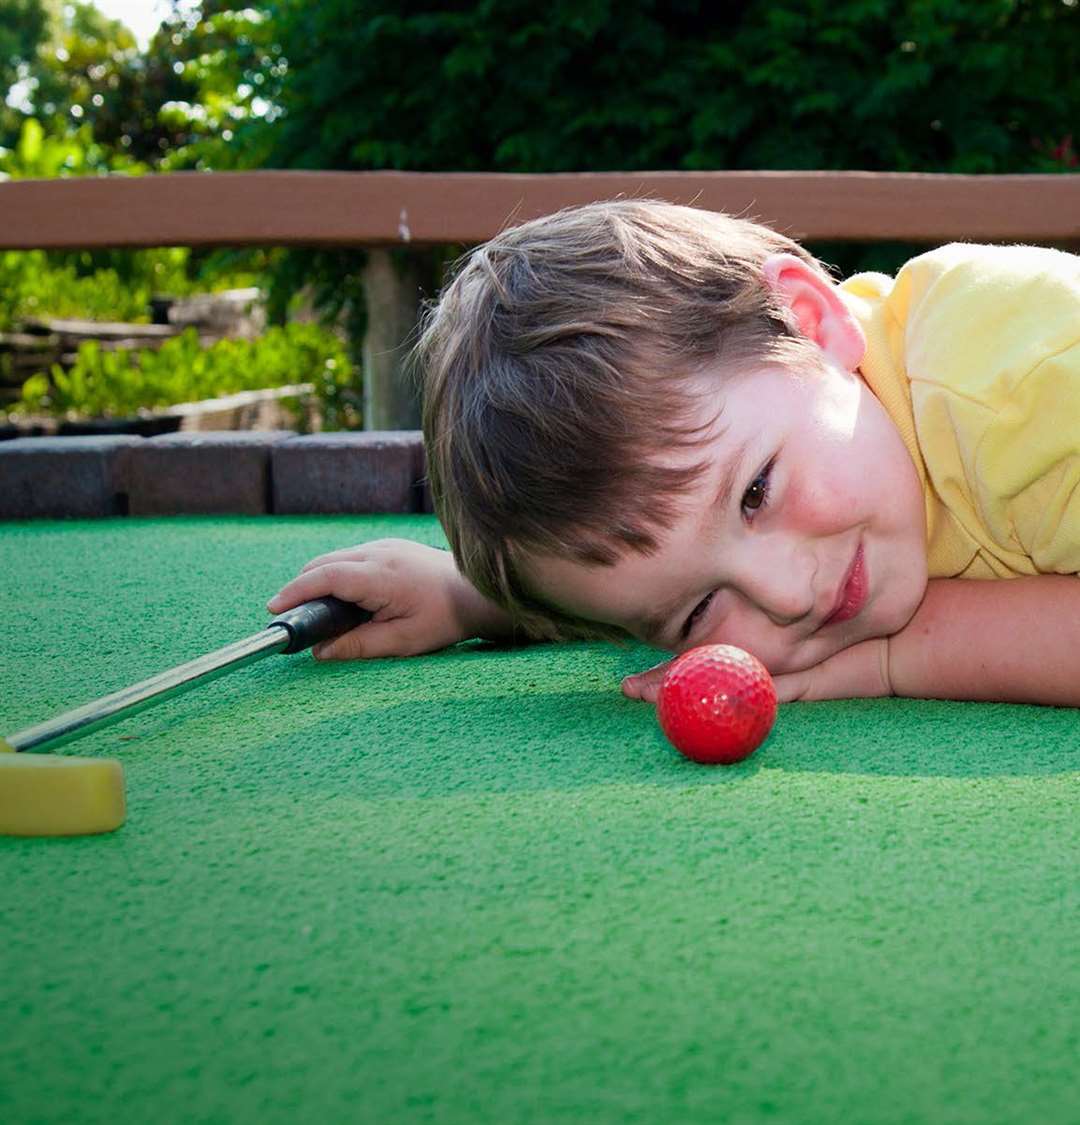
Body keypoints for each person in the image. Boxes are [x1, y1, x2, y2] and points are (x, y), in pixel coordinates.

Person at [267, 200, 1080, 707]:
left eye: (755, 493)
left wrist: (896, 659)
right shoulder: (782, 424)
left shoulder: (1029, 380)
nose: (787, 595)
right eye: (694, 613)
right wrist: (471, 598)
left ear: (813, 322)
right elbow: (657, 565)